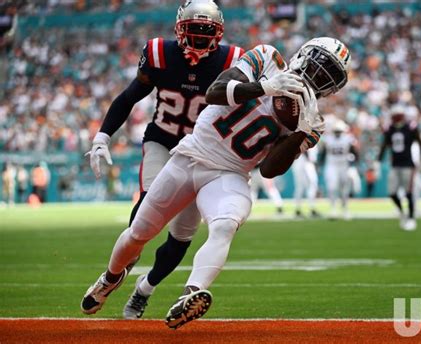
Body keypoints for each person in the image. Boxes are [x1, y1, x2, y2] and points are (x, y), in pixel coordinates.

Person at [81, 36, 351, 329]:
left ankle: (192, 293)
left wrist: (301, 131)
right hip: (191, 156)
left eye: (329, 75)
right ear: (303, 54)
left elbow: (271, 169)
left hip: (229, 174)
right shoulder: (267, 59)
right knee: (139, 233)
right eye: (319, 64)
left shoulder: (313, 122)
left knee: (225, 224)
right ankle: (110, 278)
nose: (318, 75)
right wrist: (265, 87)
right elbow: (215, 92)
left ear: (333, 87)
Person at [84, 0, 244, 319]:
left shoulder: (233, 61)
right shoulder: (159, 54)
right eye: (193, 30)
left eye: (206, 32)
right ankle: (114, 274)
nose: (199, 39)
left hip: (203, 152)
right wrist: (103, 135)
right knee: (147, 210)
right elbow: (130, 96)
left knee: (181, 236)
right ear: (179, 29)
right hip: (163, 139)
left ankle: (145, 287)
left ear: (219, 33)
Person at [377, 105, 421, 230]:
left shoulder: (410, 128)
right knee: (392, 193)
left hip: (408, 165)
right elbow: (385, 144)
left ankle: (411, 218)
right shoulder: (390, 129)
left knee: (408, 193)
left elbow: (420, 141)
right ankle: (402, 212)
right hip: (395, 164)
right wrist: (378, 160)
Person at [320, 120, 358, 220]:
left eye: (339, 131)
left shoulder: (348, 139)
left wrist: (354, 164)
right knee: (332, 188)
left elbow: (354, 152)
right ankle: (333, 208)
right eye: (336, 131)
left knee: (344, 189)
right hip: (331, 165)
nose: (338, 133)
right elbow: (323, 153)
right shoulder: (328, 139)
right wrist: (320, 165)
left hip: (343, 165)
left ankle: (345, 208)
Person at [292, 147, 320, 218]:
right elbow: (304, 147)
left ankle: (307, 208)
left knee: (309, 185)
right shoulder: (308, 136)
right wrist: (309, 159)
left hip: (305, 162)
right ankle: (301, 209)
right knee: (303, 186)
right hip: (303, 162)